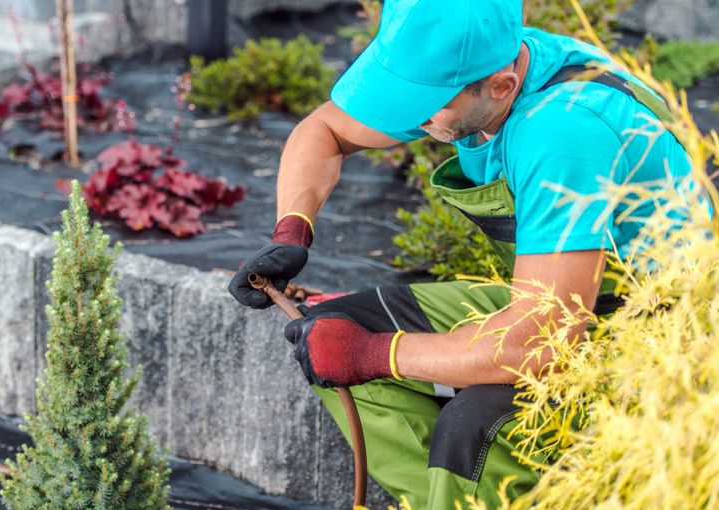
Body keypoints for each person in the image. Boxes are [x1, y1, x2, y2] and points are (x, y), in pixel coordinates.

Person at [228, 0, 691, 508]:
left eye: (426, 106)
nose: (410, 118)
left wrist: (373, 355)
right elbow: (325, 131)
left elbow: (537, 346)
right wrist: (292, 231)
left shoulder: (562, 130)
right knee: (325, 333)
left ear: (501, 87)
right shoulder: (466, 61)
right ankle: (439, 498)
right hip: (567, 301)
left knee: (475, 428)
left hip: (657, 348)